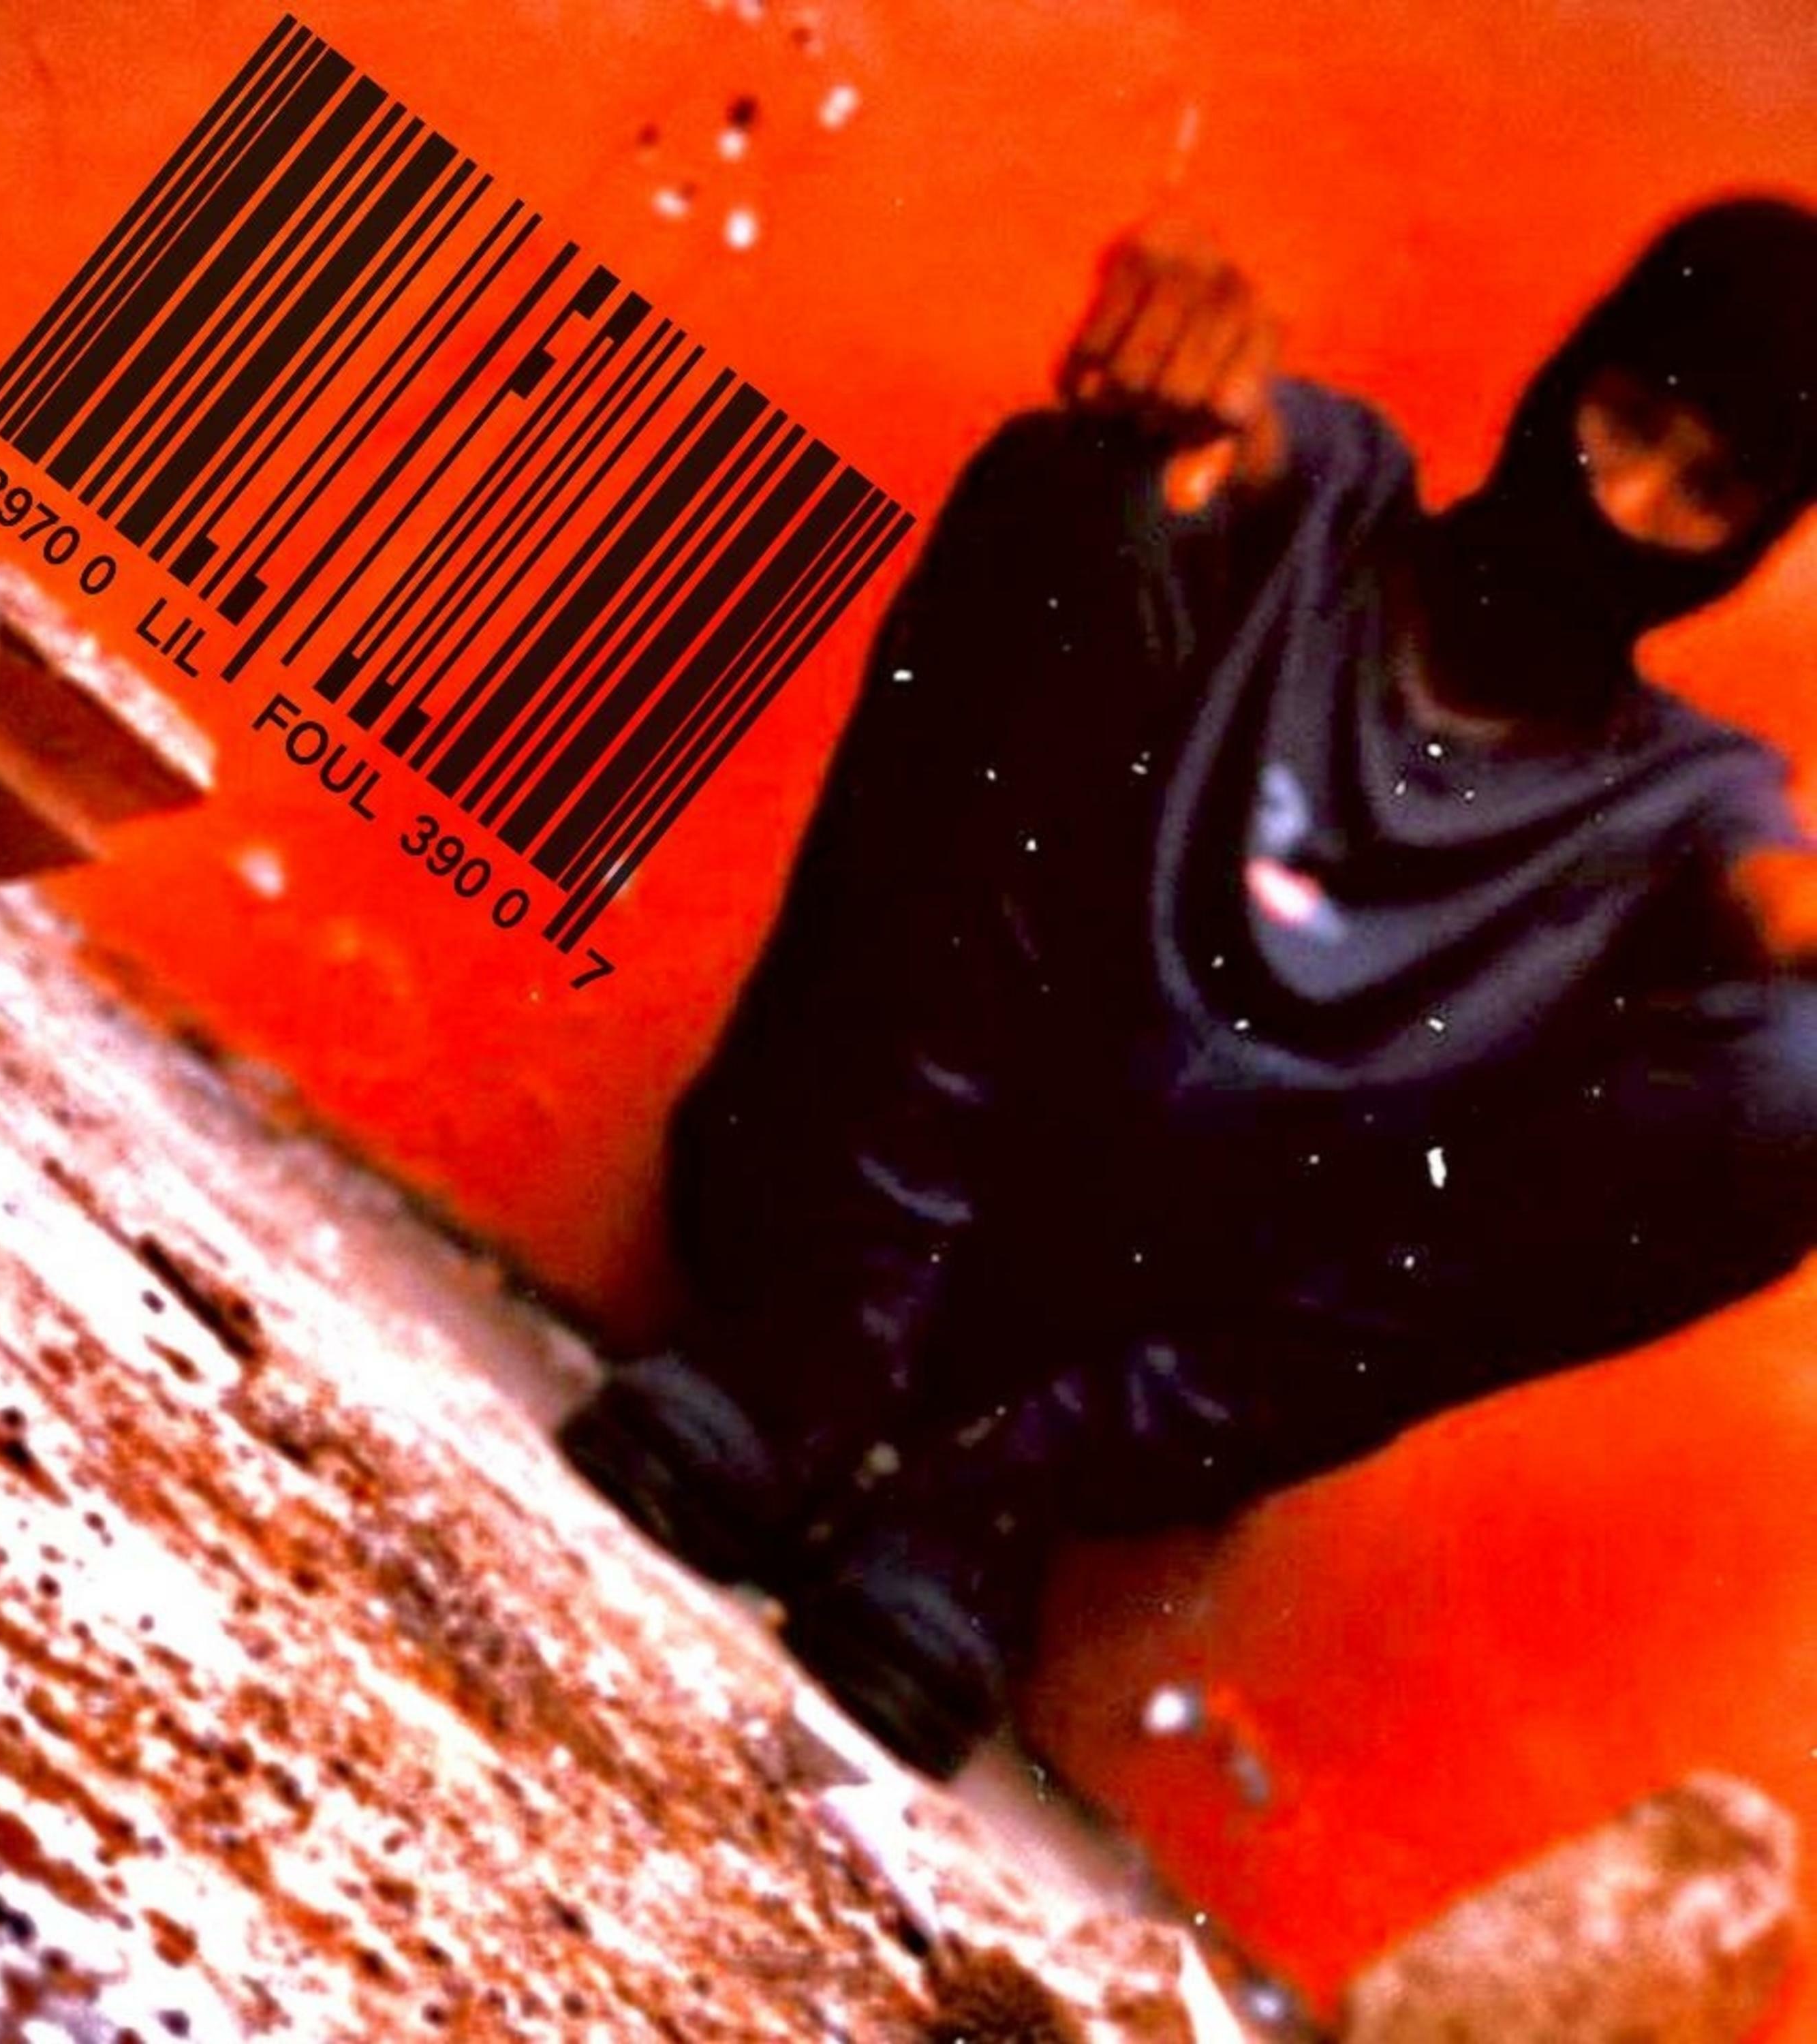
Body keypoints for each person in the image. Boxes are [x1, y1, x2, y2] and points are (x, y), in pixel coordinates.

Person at [560, 194, 1817, 1779]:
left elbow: (1774, 895)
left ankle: (989, 1491)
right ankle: (806, 1350)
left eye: (1706, 493)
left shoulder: (1678, 804)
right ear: (1570, 367)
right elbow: (1234, 430)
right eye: (1626, 420)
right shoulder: (1318, 498)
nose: (1622, 503)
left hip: (1087, 1395)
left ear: (1754, 544)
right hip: (830, 1197)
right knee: (1091, 485)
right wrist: (1174, 368)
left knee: (1803, 1081)